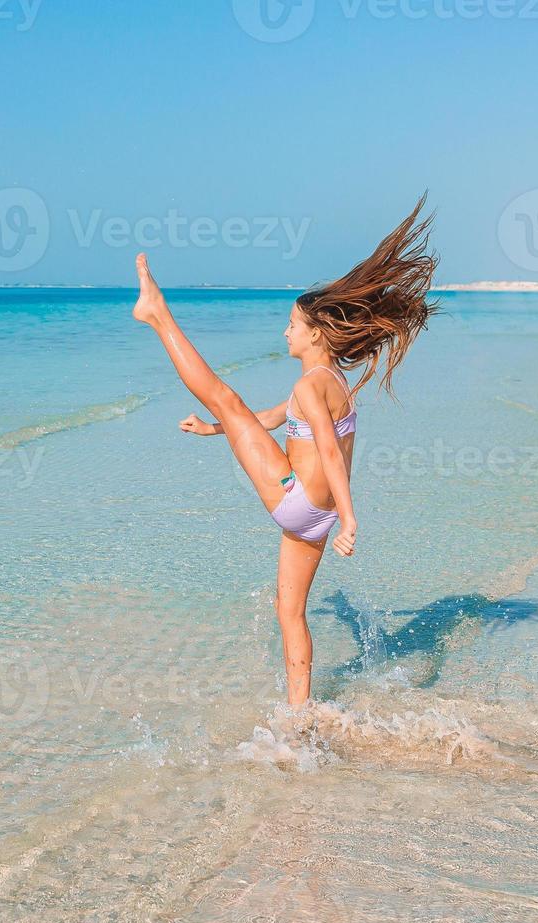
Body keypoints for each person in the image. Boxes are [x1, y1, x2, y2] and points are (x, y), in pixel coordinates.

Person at [132, 196, 438, 706]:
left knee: (224, 396)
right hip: (311, 518)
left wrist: (350, 519)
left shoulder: (310, 386)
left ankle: (159, 315)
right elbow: (276, 420)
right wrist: (215, 432)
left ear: (315, 334)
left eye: (292, 325)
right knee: (289, 611)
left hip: (300, 502)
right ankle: (299, 714)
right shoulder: (331, 381)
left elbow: (329, 453)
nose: (285, 332)